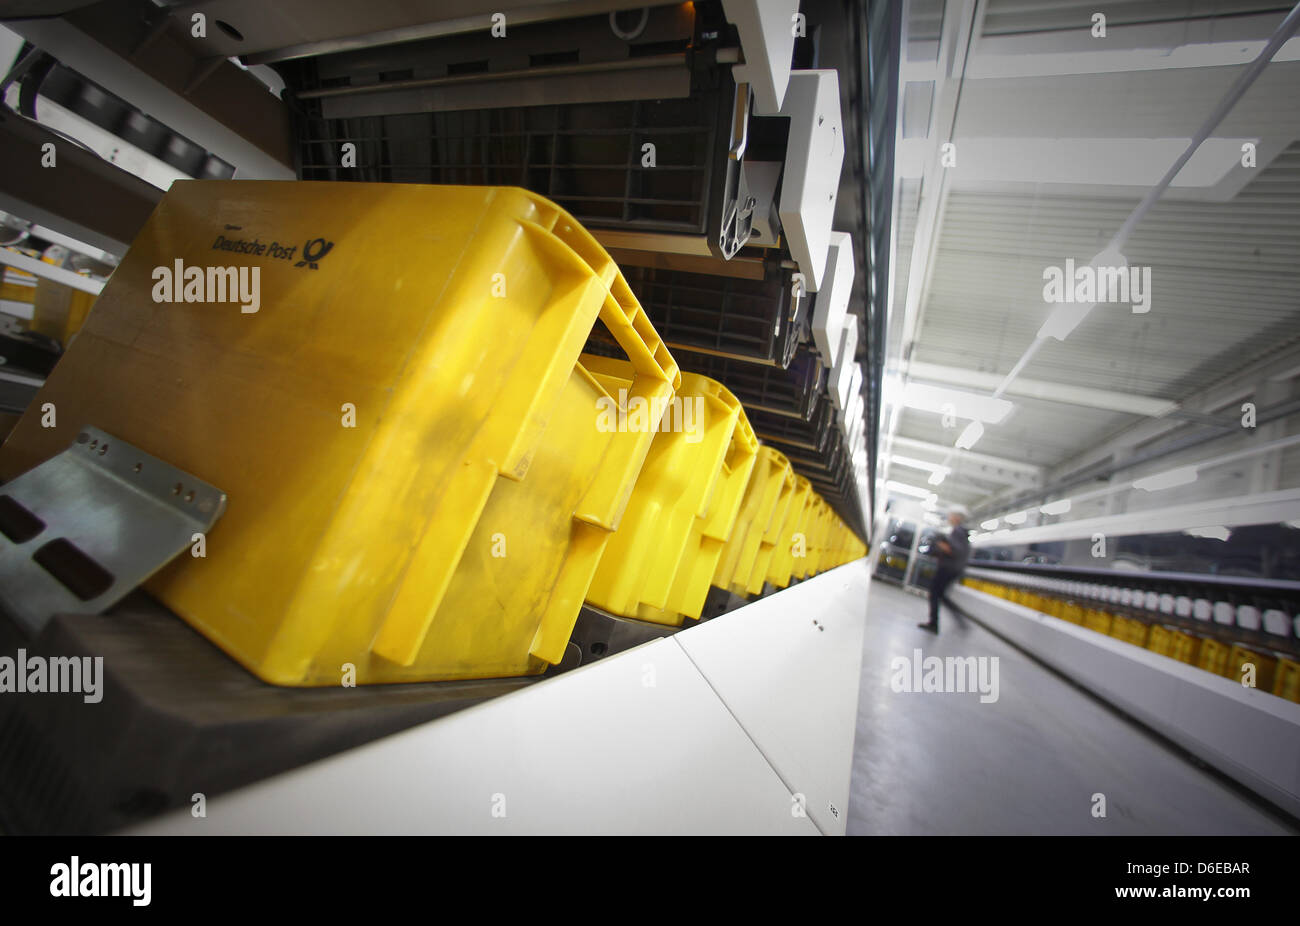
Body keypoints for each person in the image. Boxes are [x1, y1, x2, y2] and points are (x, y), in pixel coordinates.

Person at [918, 505, 971, 633]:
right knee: (941, 595)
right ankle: (959, 619)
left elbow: (953, 550)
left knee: (935, 593)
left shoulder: (957, 531)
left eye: (951, 515)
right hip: (954, 569)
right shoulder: (962, 533)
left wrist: (939, 544)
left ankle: (933, 624)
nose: (949, 517)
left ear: (957, 517)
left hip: (947, 568)